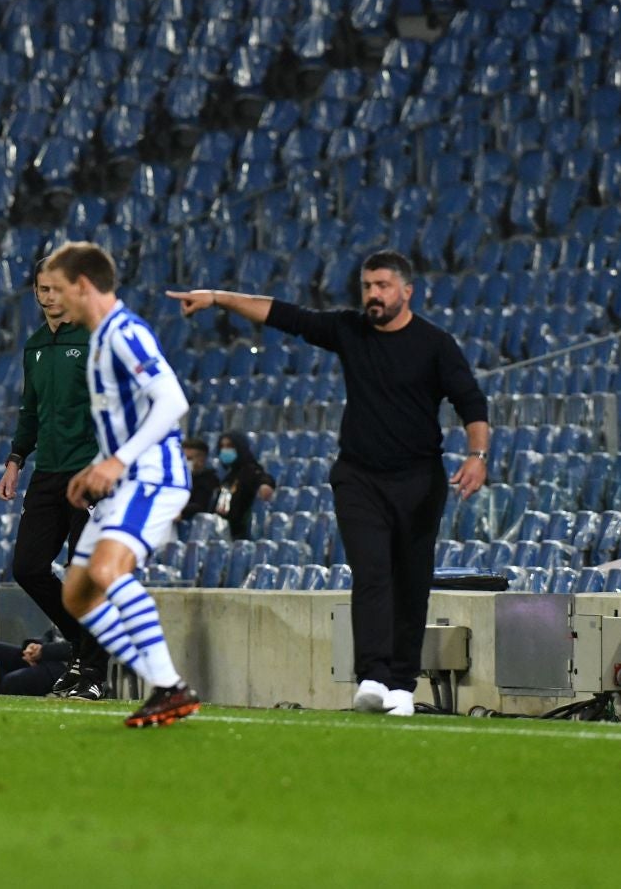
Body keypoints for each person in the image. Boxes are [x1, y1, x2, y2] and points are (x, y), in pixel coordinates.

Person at [169, 249, 489, 717]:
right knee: (371, 572)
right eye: (367, 286)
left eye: (382, 286)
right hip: (359, 477)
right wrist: (218, 297)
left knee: (411, 581)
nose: (373, 294)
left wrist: (477, 456)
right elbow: (284, 314)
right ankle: (373, 676)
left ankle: (402, 685)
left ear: (406, 291)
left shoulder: (435, 344)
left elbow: (471, 402)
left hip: (419, 481)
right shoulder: (350, 329)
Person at [46, 241, 202, 728]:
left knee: (108, 570)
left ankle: (169, 686)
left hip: (153, 475)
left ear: (83, 285)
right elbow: (125, 422)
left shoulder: (125, 333)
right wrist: (96, 466)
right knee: (77, 594)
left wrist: (117, 461)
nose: (54, 299)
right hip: (123, 480)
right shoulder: (99, 341)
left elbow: (173, 401)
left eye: (59, 289)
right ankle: (164, 685)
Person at [0, 257, 110, 701]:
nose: (49, 296)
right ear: (35, 292)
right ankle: (82, 644)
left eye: (57, 288)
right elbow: (30, 410)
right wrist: (15, 459)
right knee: (27, 566)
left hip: (90, 472)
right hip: (47, 472)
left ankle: (93, 673)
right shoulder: (36, 345)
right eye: (43, 289)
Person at [212, 431, 276, 539]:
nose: (225, 450)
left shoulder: (249, 470)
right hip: (224, 529)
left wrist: (265, 485)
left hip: (240, 533)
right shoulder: (230, 476)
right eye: (222, 446)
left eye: (229, 446)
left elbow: (262, 477)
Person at [0, 635, 73, 696]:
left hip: (66, 668)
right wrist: (34, 646)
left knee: (13, 680)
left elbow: (79, 647)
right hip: (47, 658)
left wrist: (43, 651)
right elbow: (51, 635)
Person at [179, 438, 219, 519]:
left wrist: (176, 510)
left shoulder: (208, 480)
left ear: (201, 460)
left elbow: (200, 505)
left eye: (188, 459)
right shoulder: (181, 478)